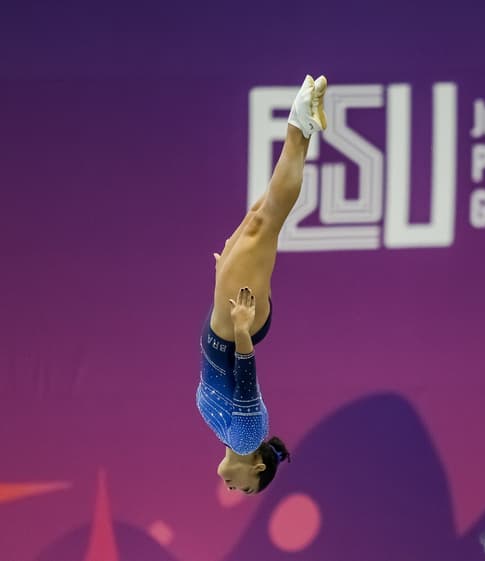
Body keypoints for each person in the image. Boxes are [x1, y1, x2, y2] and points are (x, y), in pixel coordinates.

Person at [196, 74, 327, 494]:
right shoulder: (248, 437)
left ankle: (305, 126)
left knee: (257, 217)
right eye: (246, 489)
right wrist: (239, 327)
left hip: (229, 317)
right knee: (268, 222)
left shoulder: (228, 437)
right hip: (238, 327)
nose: (233, 489)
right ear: (255, 470)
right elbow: (247, 379)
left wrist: (222, 292)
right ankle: (300, 124)